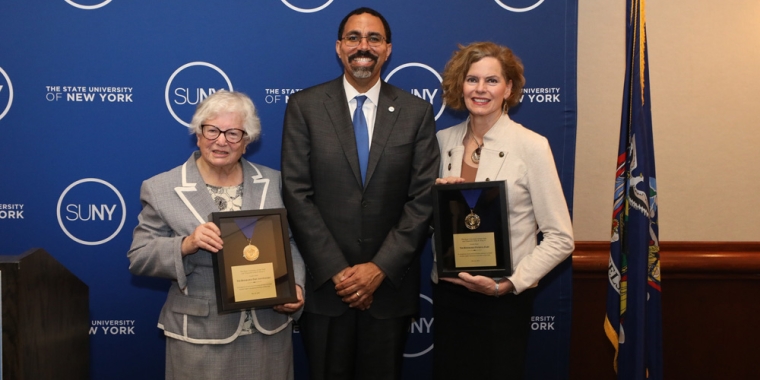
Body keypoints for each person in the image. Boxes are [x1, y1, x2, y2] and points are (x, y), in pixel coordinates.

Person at [280, 7, 439, 380]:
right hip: (326, 291)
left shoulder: (416, 112)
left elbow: (422, 200)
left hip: (388, 290)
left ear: (388, 49)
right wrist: (339, 272)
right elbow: (296, 193)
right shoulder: (305, 107)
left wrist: (378, 269)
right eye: (353, 37)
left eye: (373, 38)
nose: (362, 46)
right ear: (339, 48)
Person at [127, 90, 305, 380]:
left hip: (268, 332)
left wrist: (296, 286)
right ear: (197, 134)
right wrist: (186, 244)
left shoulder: (275, 182)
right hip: (200, 338)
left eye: (234, 133)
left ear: (247, 142)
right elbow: (139, 256)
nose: (221, 140)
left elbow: (293, 241)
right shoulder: (161, 188)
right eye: (212, 130)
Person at [432, 42, 574, 379]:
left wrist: (509, 284)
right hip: (450, 298)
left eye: (492, 81)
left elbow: (560, 238)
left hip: (502, 302)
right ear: (459, 85)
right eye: (472, 79)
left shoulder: (531, 146)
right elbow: (428, 224)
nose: (480, 89)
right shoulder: (442, 141)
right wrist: (434, 204)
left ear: (509, 88)